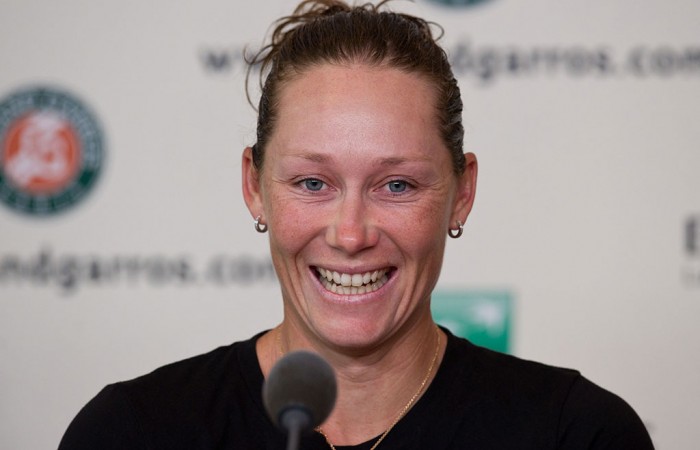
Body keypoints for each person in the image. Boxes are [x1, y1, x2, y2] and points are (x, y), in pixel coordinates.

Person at [59, 1, 655, 449]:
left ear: (462, 194)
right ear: (254, 187)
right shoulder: (132, 432)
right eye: (312, 183)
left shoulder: (576, 434)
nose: (350, 235)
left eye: (396, 185)